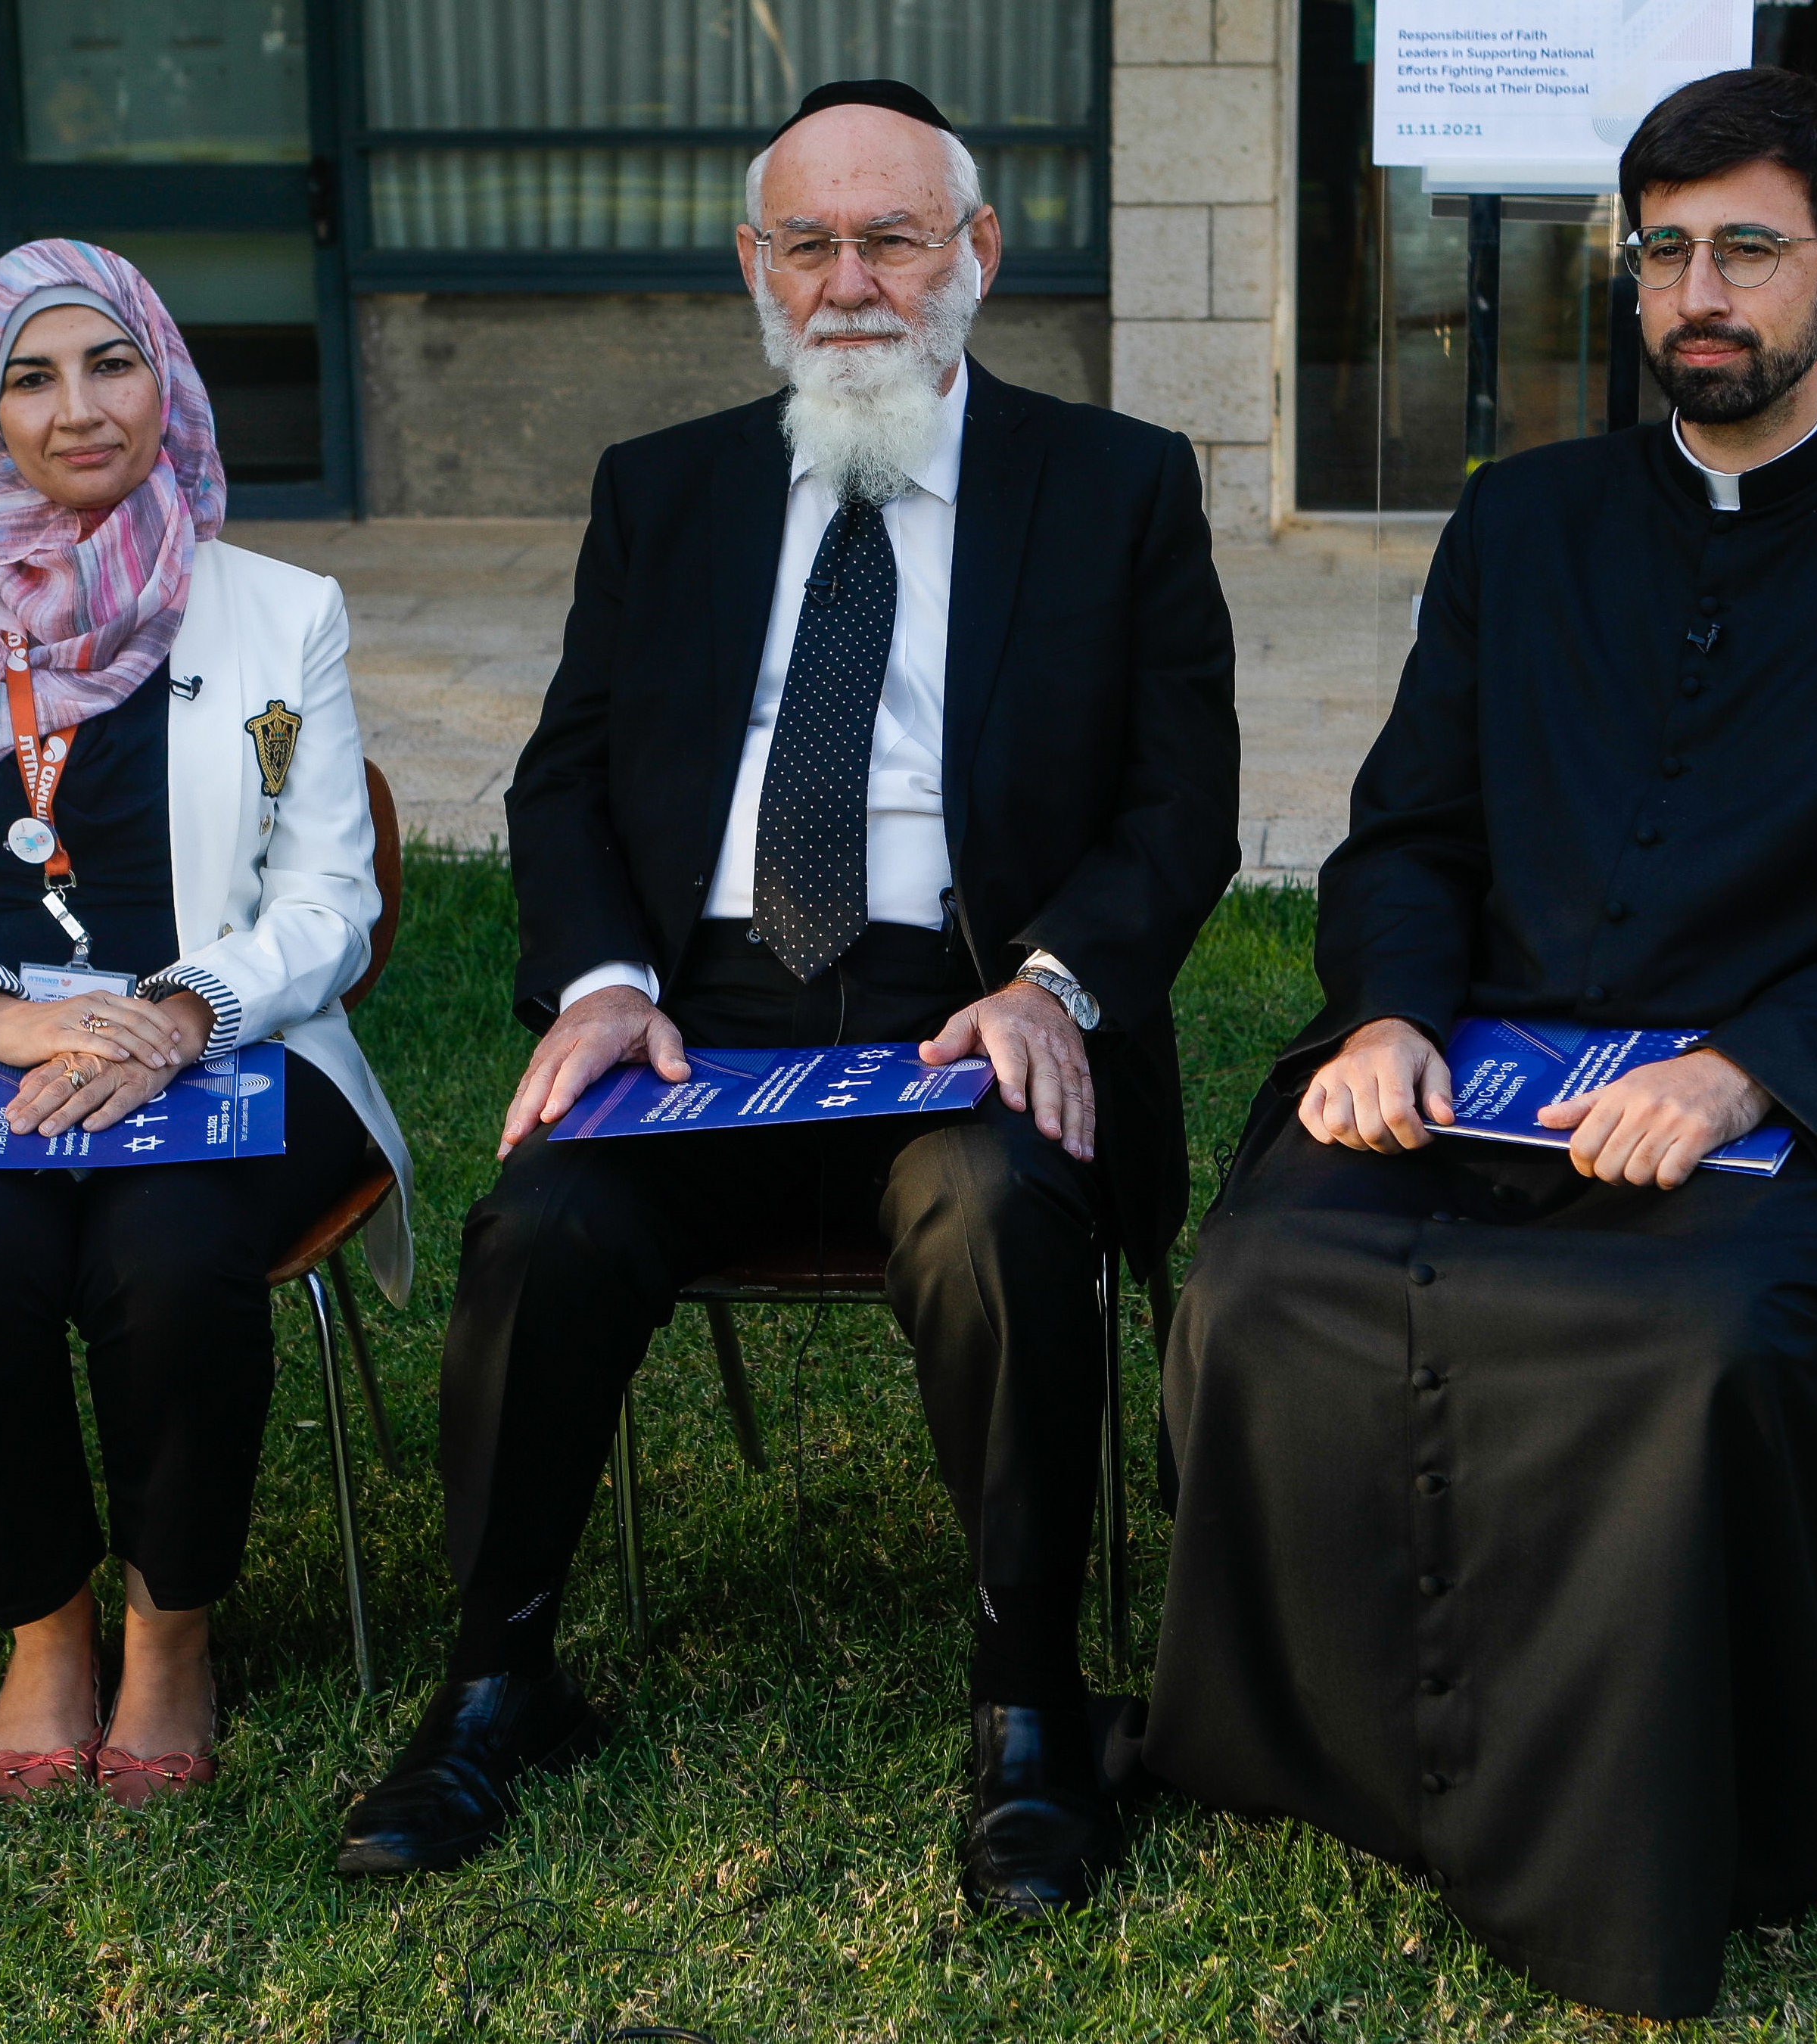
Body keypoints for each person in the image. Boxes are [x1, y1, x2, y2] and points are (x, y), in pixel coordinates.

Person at [1143, 67, 1817, 2018]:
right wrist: (1392, 1011)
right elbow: (1410, 831)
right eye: (1663, 252)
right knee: (1264, 1270)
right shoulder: (1522, 528)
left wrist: (1743, 1070)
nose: (1697, 294)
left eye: (1748, 249)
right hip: (1487, 1063)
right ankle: (1315, 1748)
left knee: (1688, 1331)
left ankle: (1666, 1792)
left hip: (1806, 1116)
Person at [336, 79, 1238, 1912]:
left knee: (994, 1212)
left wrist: (1055, 984)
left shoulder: (1116, 485)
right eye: (807, 243)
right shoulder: (661, 491)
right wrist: (596, 981)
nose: (849, 284)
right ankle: (497, 1679)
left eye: (891, 238)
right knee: (544, 1222)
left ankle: (1030, 1715)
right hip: (706, 1016)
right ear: (756, 264)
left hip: (963, 1004)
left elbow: (1181, 800)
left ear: (974, 255)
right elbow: (564, 776)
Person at [0, 240, 414, 1807]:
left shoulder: (283, 613)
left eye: (111, 364)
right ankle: (45, 1623)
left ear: (168, 381)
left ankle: (171, 1628)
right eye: (30, 375)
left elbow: (332, 894)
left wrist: (180, 1013)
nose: (78, 408)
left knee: (171, 1259)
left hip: (226, 1042)